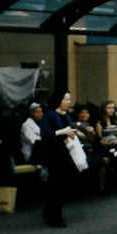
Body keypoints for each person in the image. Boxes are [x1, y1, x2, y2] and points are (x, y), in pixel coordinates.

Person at [40, 90, 79, 227]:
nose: (68, 102)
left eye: (69, 99)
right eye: (66, 99)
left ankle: (51, 211)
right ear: (59, 101)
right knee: (56, 186)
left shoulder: (66, 115)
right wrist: (64, 132)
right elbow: (46, 134)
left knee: (60, 185)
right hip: (54, 155)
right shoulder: (49, 115)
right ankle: (54, 217)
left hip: (65, 153)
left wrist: (73, 133)